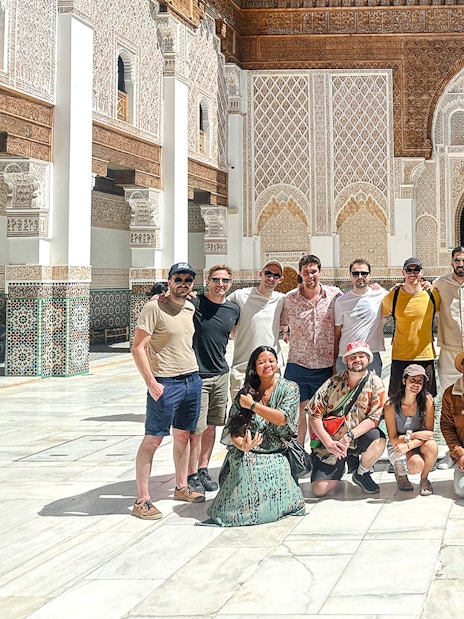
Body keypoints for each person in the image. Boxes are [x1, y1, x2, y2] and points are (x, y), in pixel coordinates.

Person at [131, 262, 204, 519]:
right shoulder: (154, 307)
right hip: (165, 382)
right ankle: (142, 500)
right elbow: (138, 347)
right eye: (178, 279)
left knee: (184, 435)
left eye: (188, 280)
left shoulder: (189, 307)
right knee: (153, 439)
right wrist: (151, 382)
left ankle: (182, 486)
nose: (183, 283)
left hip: (191, 380)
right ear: (169, 281)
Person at [204, 346, 306, 527]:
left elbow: (283, 418)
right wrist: (242, 445)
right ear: (254, 367)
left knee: (273, 471)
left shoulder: (290, 388)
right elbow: (233, 428)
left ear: (277, 363)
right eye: (261, 362)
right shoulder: (246, 393)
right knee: (245, 468)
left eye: (271, 361)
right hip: (247, 451)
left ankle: (270, 510)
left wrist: (252, 406)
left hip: (277, 451)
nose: (267, 365)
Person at [306, 341, 387, 496]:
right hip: (333, 441)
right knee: (319, 489)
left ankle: (362, 472)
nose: (357, 360)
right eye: (353, 357)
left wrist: (349, 436)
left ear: (368, 359)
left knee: (378, 439)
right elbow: (314, 414)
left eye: (361, 356)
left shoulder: (376, 383)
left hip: (356, 437)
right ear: (347, 361)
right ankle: (340, 466)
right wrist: (329, 443)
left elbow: (375, 419)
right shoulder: (332, 383)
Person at [187, 265, 240, 495]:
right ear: (208, 281)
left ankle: (203, 469)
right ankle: (190, 473)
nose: (221, 284)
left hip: (221, 373)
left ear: (230, 283)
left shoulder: (232, 309)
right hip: (198, 375)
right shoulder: (195, 303)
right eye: (216, 279)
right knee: (195, 429)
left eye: (225, 280)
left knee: (211, 426)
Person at [280, 254, 342, 445]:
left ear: (320, 272)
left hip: (325, 366)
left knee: (321, 413)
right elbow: (280, 324)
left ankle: (319, 454)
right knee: (298, 412)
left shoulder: (334, 295)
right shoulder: (289, 299)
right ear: (300, 273)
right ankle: (298, 452)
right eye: (306, 272)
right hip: (297, 364)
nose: (310, 275)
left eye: (313, 271)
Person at [381, 257, 440, 397]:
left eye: (416, 270)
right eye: (409, 270)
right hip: (400, 355)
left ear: (422, 272)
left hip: (425, 355)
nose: (412, 273)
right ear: (403, 272)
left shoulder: (432, 295)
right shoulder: (393, 296)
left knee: (427, 399)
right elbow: (379, 317)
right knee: (397, 399)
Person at [227, 260, 285, 399]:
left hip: (271, 369)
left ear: (281, 280)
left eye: (276, 275)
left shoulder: (282, 300)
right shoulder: (239, 296)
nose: (271, 278)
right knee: (240, 414)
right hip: (243, 367)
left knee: (269, 414)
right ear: (261, 274)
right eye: (268, 273)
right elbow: (218, 308)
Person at [383, 364, 438, 495]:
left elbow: (430, 434)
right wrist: (416, 435)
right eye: (412, 380)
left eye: (420, 381)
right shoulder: (390, 405)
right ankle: (400, 472)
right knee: (416, 465)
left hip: (418, 443)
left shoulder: (427, 401)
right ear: (404, 381)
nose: (416, 384)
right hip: (398, 445)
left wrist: (411, 444)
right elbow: (393, 438)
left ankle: (424, 479)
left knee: (433, 446)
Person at [433, 246, 464, 469]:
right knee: (448, 402)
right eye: (457, 260)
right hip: (449, 351)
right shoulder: (440, 284)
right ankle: (451, 451)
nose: (461, 264)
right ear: (451, 262)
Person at [334, 258, 386, 377]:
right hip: (346, 356)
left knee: (371, 394)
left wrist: (426, 284)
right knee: (344, 394)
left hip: (370, 355)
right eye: (356, 273)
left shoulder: (381, 295)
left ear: (370, 275)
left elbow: (401, 291)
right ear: (350, 276)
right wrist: (334, 360)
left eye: (364, 273)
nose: (360, 276)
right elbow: (337, 332)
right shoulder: (341, 301)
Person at [440, 351, 464, 498]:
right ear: (462, 367)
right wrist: (460, 454)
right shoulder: (450, 394)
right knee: (462, 490)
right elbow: (446, 426)